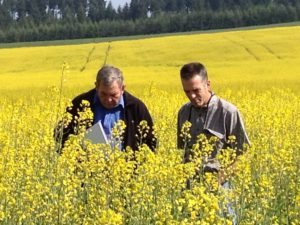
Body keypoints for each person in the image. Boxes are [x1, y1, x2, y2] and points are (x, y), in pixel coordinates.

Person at [177, 62, 250, 183]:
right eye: (187, 91)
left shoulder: (228, 112)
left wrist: (218, 179)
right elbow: (184, 152)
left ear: (208, 84)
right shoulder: (183, 112)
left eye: (196, 90)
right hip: (190, 185)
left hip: (221, 188)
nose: (192, 96)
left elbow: (245, 154)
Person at [56, 65, 156, 151]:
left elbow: (151, 142)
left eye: (113, 95)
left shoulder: (136, 108)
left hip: (126, 171)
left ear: (123, 89)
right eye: (103, 94)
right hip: (85, 170)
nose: (108, 100)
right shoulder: (80, 104)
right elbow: (60, 136)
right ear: (96, 86)